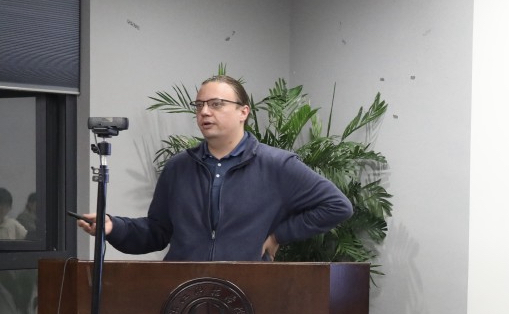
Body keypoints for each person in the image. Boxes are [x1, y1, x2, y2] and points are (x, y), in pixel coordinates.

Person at [77, 74, 353, 261]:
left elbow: (337, 206)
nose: (204, 112)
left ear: (243, 112)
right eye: (199, 105)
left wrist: (280, 234)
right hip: (183, 292)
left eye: (216, 104)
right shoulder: (178, 167)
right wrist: (114, 227)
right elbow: (157, 232)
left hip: (248, 290)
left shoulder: (276, 164)